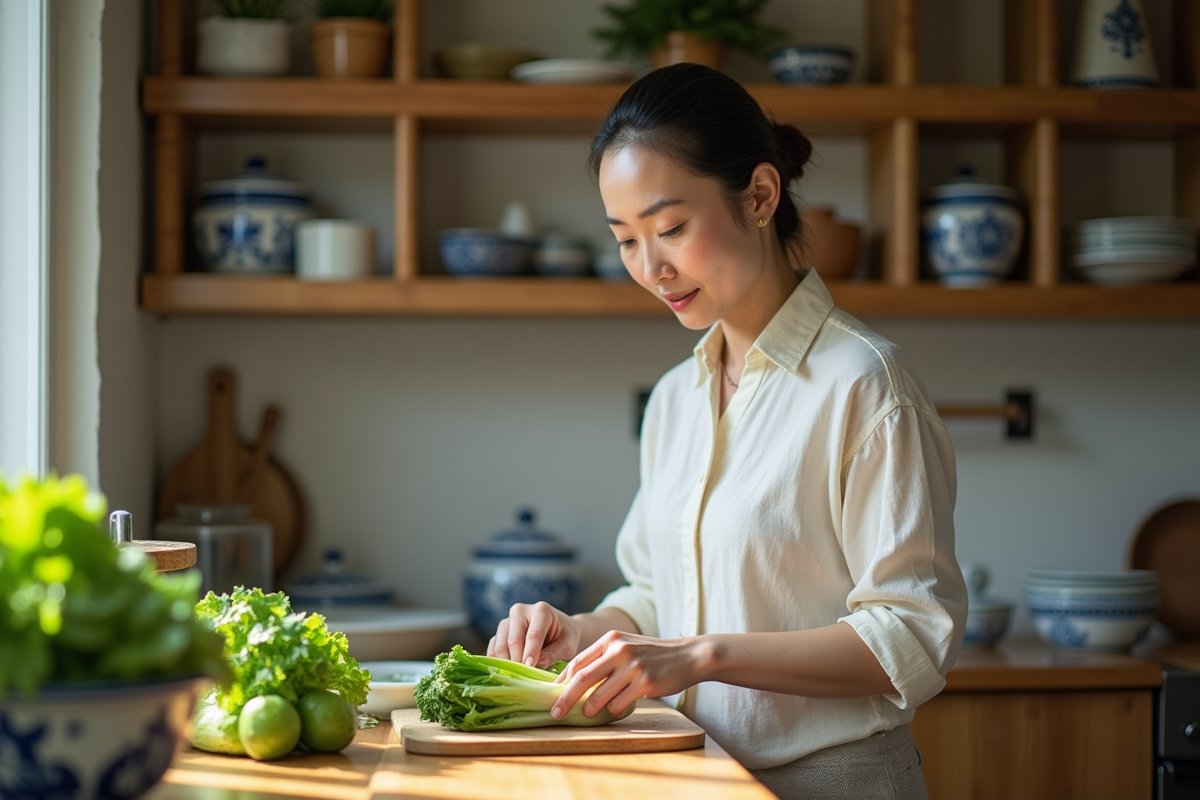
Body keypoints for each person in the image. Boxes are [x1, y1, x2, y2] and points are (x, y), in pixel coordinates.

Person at [486, 63, 967, 800]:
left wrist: (698, 656)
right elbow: (657, 593)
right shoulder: (677, 398)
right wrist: (581, 634)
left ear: (761, 195)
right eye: (626, 240)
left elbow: (911, 636)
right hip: (696, 778)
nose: (652, 269)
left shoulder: (866, 383)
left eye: (671, 228)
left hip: (839, 781)